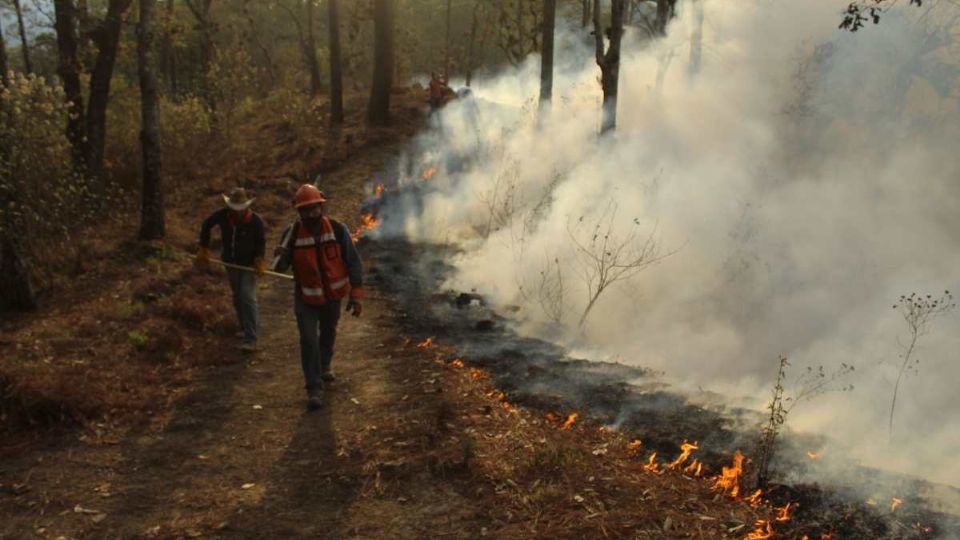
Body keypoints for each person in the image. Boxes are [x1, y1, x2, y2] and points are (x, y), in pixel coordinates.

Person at [273, 184, 363, 410]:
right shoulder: (292, 233)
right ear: (299, 212)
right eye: (305, 211)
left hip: (333, 295)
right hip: (306, 296)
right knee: (308, 339)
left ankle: (324, 365)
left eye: (314, 209)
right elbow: (280, 269)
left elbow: (353, 262)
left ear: (321, 207)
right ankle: (314, 388)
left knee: (329, 331)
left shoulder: (337, 229)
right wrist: (282, 256)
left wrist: (357, 294)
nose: (310, 214)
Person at [196, 187, 266, 352]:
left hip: (248, 265)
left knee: (247, 297)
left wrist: (259, 258)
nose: (237, 212)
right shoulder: (223, 215)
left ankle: (251, 338)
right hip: (230, 263)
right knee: (237, 297)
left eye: (240, 209)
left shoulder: (256, 221)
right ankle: (244, 327)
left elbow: (261, 241)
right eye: (234, 209)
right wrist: (204, 247)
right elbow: (206, 225)